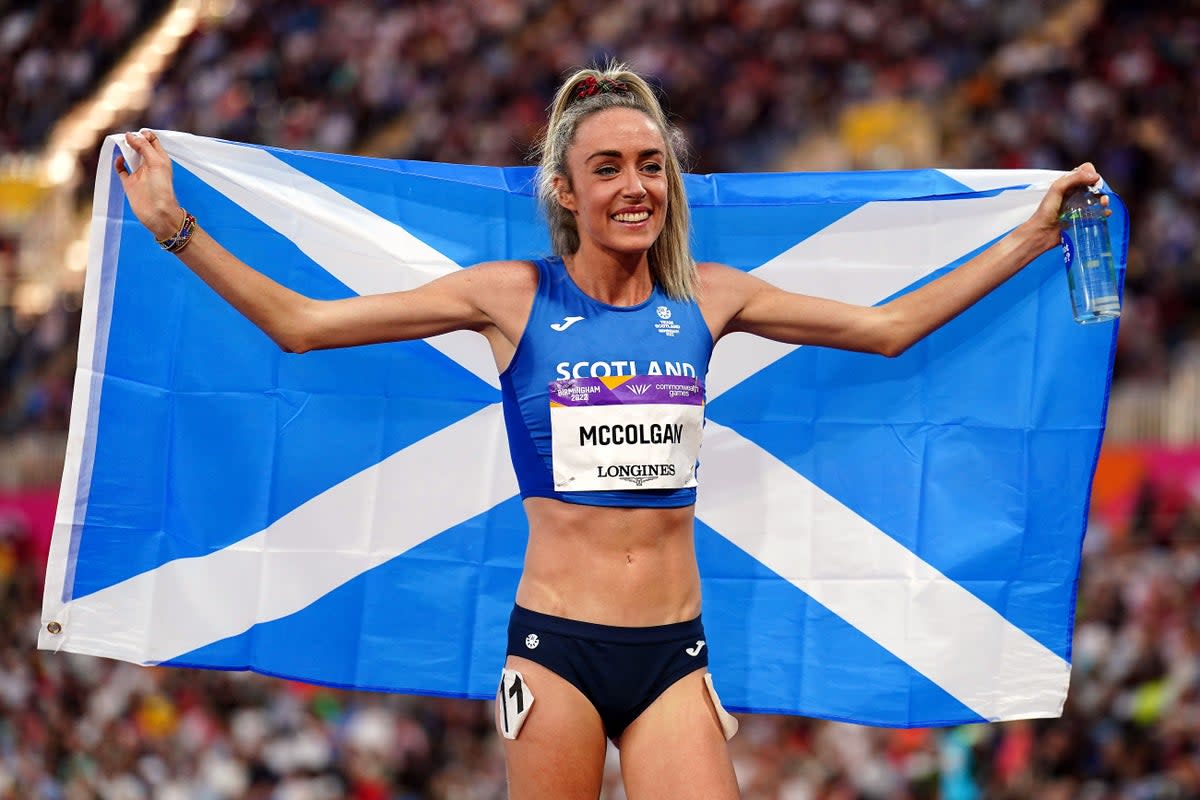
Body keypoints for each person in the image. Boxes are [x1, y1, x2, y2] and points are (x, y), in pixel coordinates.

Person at [115, 64, 1107, 800]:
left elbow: (889, 330)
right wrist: (174, 228)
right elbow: (303, 324)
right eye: (608, 169)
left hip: (674, 652)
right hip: (555, 651)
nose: (635, 186)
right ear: (565, 191)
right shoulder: (511, 297)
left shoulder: (709, 300)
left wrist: (1030, 234)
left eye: (650, 165)